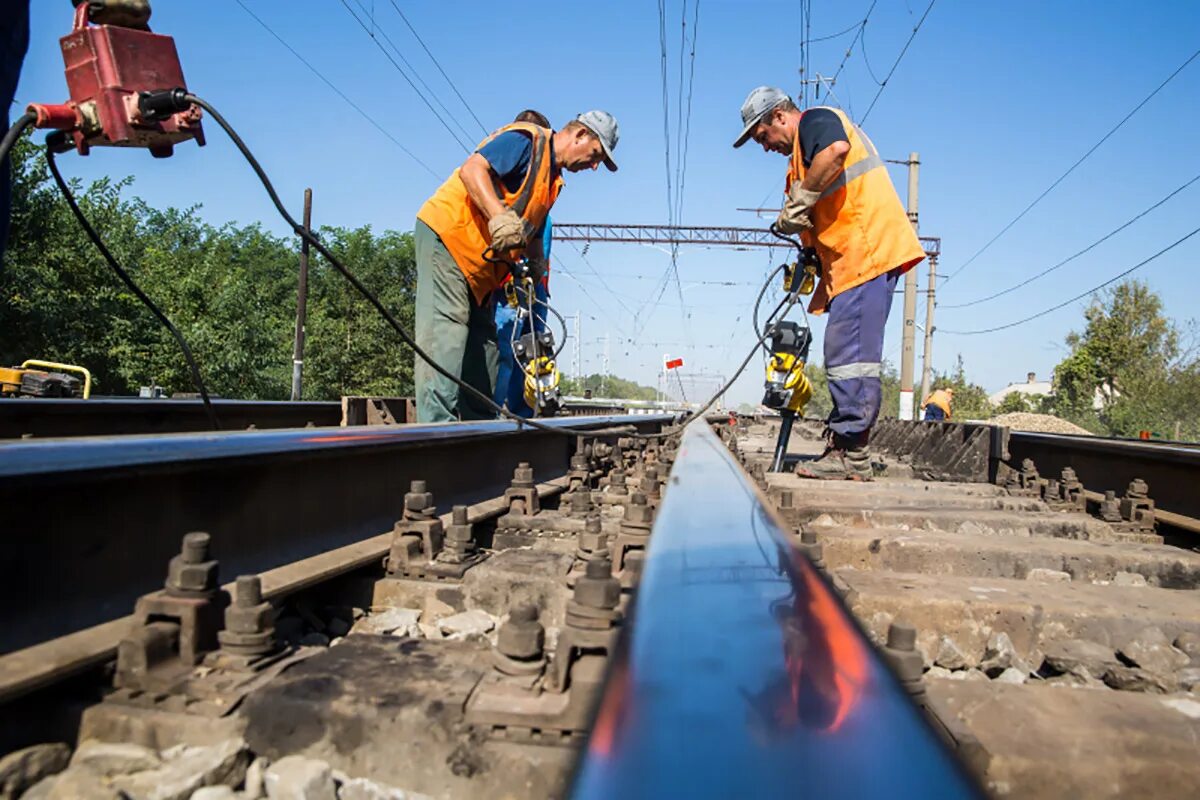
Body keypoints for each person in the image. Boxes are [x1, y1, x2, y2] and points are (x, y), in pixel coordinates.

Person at [734, 86, 925, 480]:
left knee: (849, 356)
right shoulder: (800, 159)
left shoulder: (816, 120)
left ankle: (850, 454)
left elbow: (836, 151)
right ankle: (848, 448)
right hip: (848, 259)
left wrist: (800, 200)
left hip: (864, 251)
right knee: (844, 352)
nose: (764, 146)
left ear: (780, 117)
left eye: (763, 136)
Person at [414, 109, 619, 422]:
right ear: (580, 135)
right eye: (595, 156)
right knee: (447, 333)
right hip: (450, 238)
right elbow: (473, 170)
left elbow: (532, 229)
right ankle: (434, 431)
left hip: (481, 267)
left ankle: (477, 427)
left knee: (485, 348)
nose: (593, 166)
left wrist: (534, 268)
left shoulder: (552, 180)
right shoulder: (527, 140)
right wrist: (498, 216)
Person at [493, 110, 554, 417]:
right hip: (510, 289)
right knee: (508, 350)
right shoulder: (510, 196)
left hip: (533, 290)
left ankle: (519, 416)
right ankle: (499, 414)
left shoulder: (541, 204)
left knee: (530, 355)